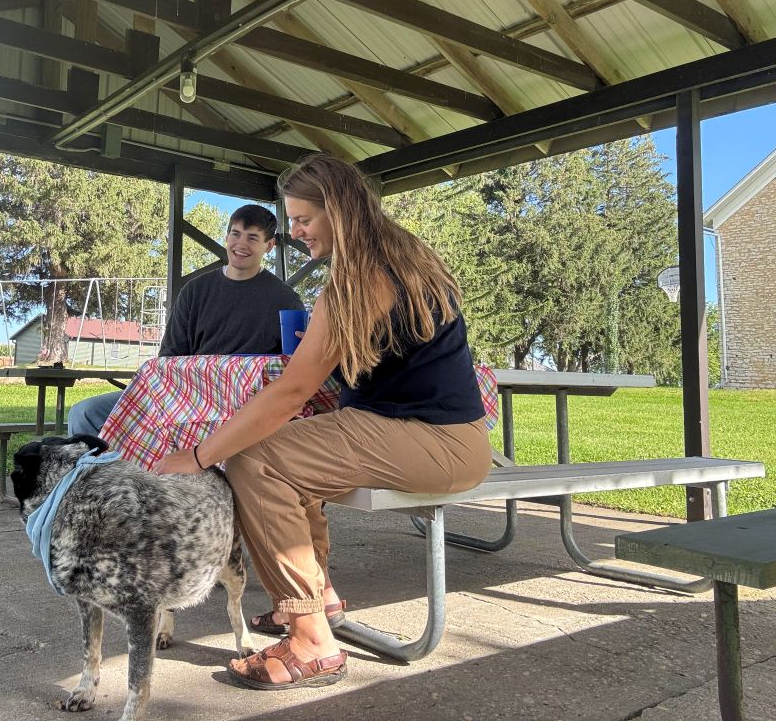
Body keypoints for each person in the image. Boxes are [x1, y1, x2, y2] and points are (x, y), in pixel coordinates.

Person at [153, 154, 491, 691]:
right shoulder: (402, 255)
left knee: (253, 457)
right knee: (288, 449)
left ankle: (312, 643)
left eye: (303, 219)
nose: (294, 232)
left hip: (433, 443)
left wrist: (198, 456)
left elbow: (290, 393)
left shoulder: (364, 278)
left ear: (339, 210)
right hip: (451, 439)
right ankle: (317, 596)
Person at [67, 204, 303, 437]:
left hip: (244, 404)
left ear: (269, 245)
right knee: (84, 413)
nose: (241, 244)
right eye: (235, 234)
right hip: (184, 393)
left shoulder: (286, 300)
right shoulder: (195, 290)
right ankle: (107, 474)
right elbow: (169, 358)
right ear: (226, 236)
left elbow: (294, 371)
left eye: (252, 238)